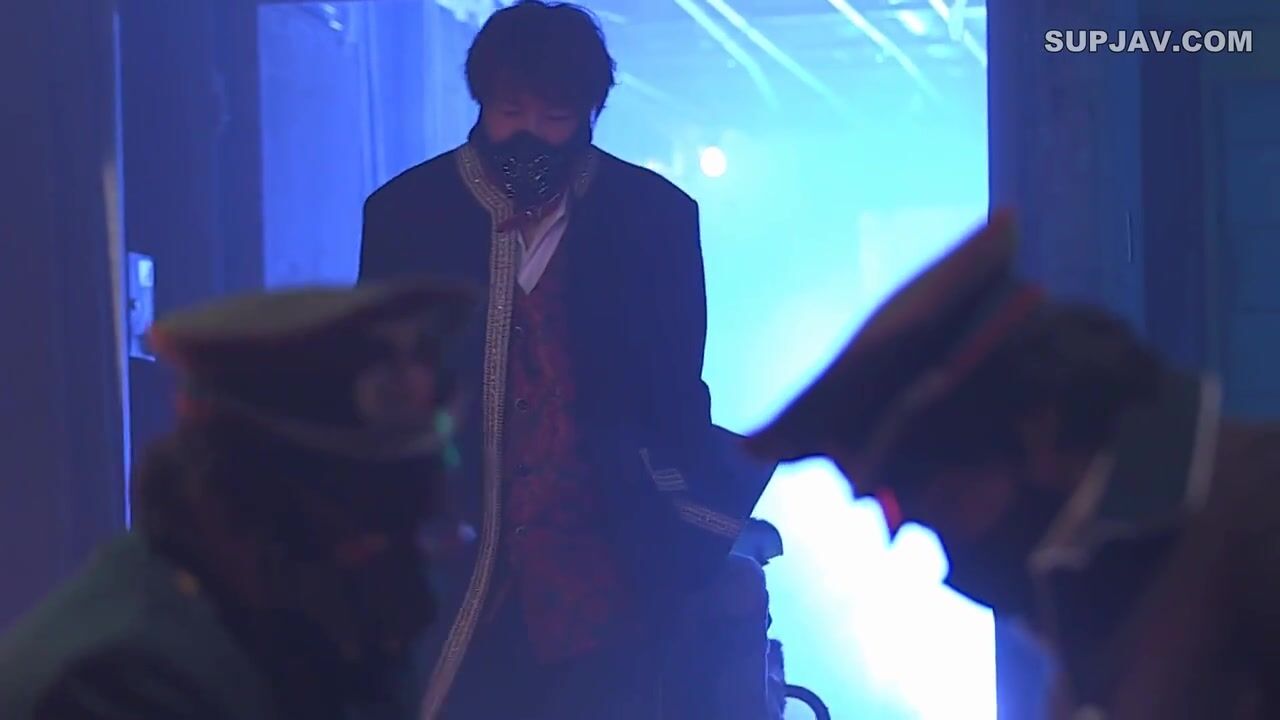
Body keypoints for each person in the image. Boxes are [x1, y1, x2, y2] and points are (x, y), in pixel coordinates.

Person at [359, 2, 777, 718]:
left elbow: (676, 394)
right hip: (452, 563)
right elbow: (376, 394)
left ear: (589, 114)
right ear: (481, 103)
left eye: (554, 116)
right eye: (509, 110)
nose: (528, 133)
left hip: (606, 567)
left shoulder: (653, 217)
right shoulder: (407, 214)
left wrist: (689, 527)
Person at [744, 212, 1280, 719]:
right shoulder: (1104, 617)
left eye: (943, 502)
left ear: (1035, 426)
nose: (952, 555)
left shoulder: (1258, 512)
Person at [0, 279, 476, 720]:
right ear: (254, 498)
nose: (428, 547)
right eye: (382, 515)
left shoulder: (310, 636)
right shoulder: (115, 686)